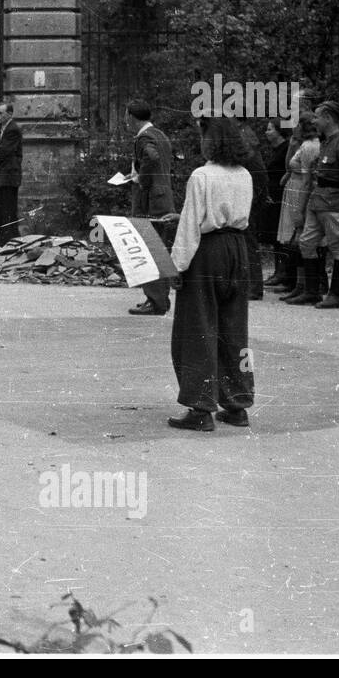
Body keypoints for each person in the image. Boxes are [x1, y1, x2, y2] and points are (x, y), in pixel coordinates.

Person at [165, 115, 255, 431]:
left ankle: (200, 407)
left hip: (207, 252)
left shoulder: (200, 176)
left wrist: (176, 267)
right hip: (238, 249)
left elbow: (191, 226)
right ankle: (237, 404)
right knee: (234, 328)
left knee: (198, 327)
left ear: (212, 140)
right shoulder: (245, 174)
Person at [292, 101, 339, 308]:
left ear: (328, 118)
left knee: (338, 247)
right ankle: (312, 292)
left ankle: (335, 295)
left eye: (317, 117)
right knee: (306, 243)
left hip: (334, 204)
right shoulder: (326, 143)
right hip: (318, 201)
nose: (314, 121)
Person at [125, 100, 175, 316]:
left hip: (150, 201)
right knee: (161, 249)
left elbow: (152, 158)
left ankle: (154, 301)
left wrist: (142, 180)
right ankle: (161, 299)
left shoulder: (144, 137)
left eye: (126, 116)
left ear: (132, 118)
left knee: (148, 249)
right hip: (163, 197)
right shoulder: (159, 134)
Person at [275, 113, 323, 299]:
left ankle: (309, 286)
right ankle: (300, 285)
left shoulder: (310, 147)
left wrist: (299, 208)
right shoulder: (303, 144)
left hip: (302, 194)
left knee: (304, 240)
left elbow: (306, 180)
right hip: (295, 190)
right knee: (298, 241)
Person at [238, 119, 269, 300]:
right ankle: (252, 285)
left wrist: (255, 197)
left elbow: (257, 170)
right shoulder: (246, 134)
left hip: (249, 195)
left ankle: (254, 286)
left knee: (248, 240)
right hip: (251, 193)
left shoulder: (244, 137)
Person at [0, 102, 24, 245]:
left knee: (7, 208)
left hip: (9, 175)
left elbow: (4, 152)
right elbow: (2, 149)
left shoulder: (12, 129)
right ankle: (8, 239)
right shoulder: (4, 128)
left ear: (9, 114)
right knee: (2, 208)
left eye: (0, 114)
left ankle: (9, 240)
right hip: (4, 174)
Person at [262, 120, 291, 286]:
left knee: (280, 235)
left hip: (280, 196)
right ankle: (278, 271)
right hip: (273, 195)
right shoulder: (276, 150)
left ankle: (282, 272)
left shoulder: (285, 149)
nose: (267, 132)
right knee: (275, 235)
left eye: (270, 129)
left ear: (279, 131)